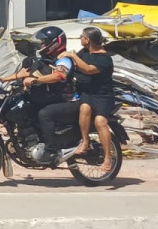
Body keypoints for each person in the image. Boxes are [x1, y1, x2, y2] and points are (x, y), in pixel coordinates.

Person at [20, 26, 78, 164]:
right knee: (27, 110)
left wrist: (36, 80)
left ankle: (51, 150)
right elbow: (26, 73)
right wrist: (4, 79)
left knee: (45, 114)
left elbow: (58, 76)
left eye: (45, 42)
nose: (42, 45)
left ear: (55, 43)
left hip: (69, 100)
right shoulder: (46, 60)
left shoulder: (64, 59)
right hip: (54, 98)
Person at [63, 27, 116, 165]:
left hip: (102, 95)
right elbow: (76, 65)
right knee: (84, 108)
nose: (80, 39)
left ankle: (107, 158)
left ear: (87, 40)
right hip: (86, 92)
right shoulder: (84, 53)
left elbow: (88, 69)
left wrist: (73, 56)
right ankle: (85, 141)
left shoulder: (104, 58)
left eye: (81, 37)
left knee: (100, 122)